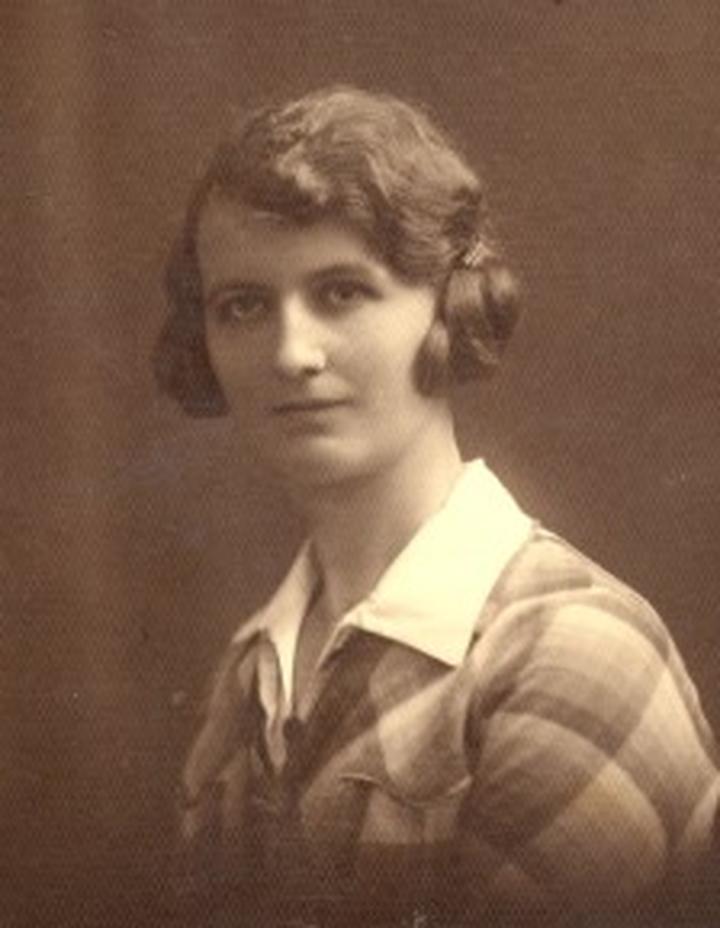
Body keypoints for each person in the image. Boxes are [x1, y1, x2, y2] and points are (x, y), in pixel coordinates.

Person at [154, 86, 718, 926]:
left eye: (342, 293)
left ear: (449, 307)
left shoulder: (570, 660)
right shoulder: (249, 675)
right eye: (243, 306)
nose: (290, 353)